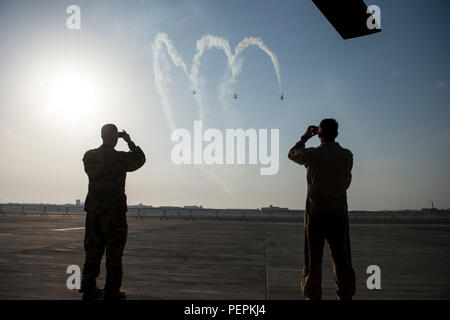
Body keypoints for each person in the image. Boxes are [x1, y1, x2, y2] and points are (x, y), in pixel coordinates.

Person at [288, 118, 355, 300]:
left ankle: (313, 296)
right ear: (336, 134)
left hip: (316, 213)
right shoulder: (347, 155)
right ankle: (346, 294)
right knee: (342, 260)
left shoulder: (312, 154)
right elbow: (347, 182)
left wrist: (304, 137)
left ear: (318, 135)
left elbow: (292, 154)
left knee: (313, 261)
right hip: (338, 212)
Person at [80, 124, 146, 300]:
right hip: (114, 214)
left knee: (92, 253)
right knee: (114, 255)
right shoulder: (120, 159)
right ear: (115, 138)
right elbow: (140, 159)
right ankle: (112, 291)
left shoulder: (89, 156)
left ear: (102, 136)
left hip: (94, 213)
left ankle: (89, 288)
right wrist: (129, 141)